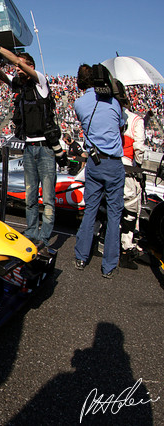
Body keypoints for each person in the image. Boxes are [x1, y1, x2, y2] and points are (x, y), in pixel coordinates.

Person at [0, 34, 65, 247]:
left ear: (31, 66)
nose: (19, 71)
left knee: (48, 197)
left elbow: (14, 61)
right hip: (29, 147)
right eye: (18, 69)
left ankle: (45, 236)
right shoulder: (21, 86)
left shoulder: (40, 81)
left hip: (46, 148)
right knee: (30, 195)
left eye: (22, 67)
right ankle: (32, 233)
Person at [73, 64, 125, 279]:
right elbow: (121, 126)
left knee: (90, 209)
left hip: (94, 162)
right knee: (114, 214)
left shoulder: (79, 103)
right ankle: (109, 265)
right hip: (113, 163)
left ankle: (81, 256)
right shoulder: (114, 102)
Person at [119, 102, 146, 269]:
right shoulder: (136, 120)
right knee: (131, 208)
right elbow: (139, 147)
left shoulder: (112, 115)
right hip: (128, 166)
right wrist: (139, 167)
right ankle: (126, 250)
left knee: (109, 206)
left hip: (108, 164)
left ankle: (101, 242)